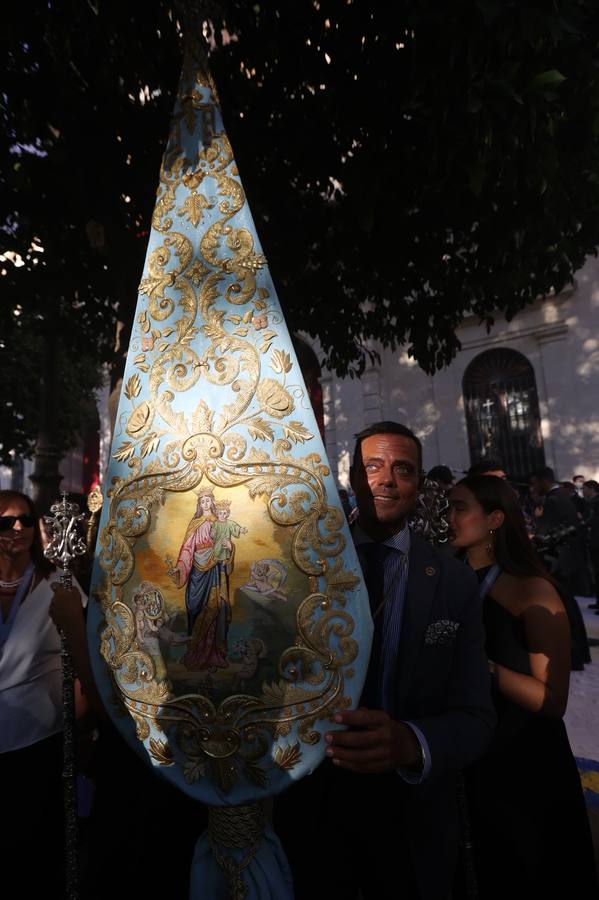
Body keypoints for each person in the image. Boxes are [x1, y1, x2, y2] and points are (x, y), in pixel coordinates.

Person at [274, 422, 495, 900]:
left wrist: (410, 743)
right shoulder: (300, 567)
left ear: (419, 485)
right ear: (352, 476)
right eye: (371, 466)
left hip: (408, 817)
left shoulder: (454, 584)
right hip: (309, 807)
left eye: (402, 470)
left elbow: (476, 716)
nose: (386, 480)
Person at [448, 476, 598, 899]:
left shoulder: (534, 589)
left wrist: (484, 667)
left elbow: (552, 701)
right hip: (468, 754)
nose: (448, 517)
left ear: (495, 518)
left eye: (460, 508)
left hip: (522, 764)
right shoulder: (449, 579)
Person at [0, 489, 85, 897]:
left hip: (40, 741)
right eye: (5, 521)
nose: (16, 528)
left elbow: (82, 646)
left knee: (32, 853)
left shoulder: (57, 584)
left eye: (24, 520)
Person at [170, 487, 231, 670]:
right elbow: (188, 548)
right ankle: (193, 652)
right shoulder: (195, 523)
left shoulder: (218, 522)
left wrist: (229, 549)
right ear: (199, 504)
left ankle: (213, 655)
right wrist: (180, 569)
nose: (205, 504)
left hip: (214, 567)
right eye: (202, 501)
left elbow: (225, 544)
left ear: (212, 502)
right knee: (193, 606)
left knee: (214, 608)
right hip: (196, 569)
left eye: (208, 500)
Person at [583, 480, 599, 612]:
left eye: (585, 488)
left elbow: (594, 520)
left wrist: (584, 522)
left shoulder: (596, 502)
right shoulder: (592, 502)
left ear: (592, 488)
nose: (583, 491)